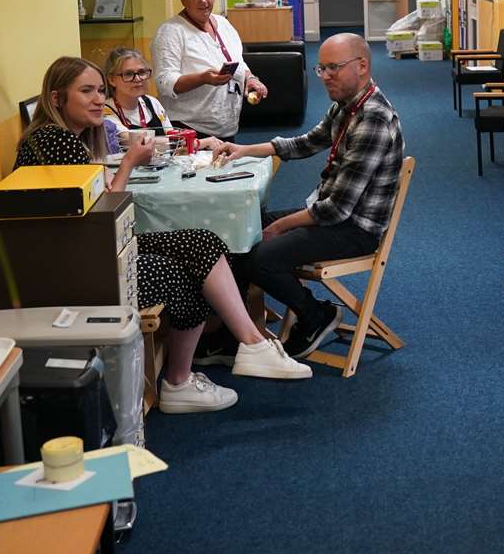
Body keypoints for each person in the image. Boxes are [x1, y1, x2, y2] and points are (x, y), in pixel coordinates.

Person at [16, 56, 311, 411]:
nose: (98, 99)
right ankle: (185, 378)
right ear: (56, 98)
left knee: (205, 242)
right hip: (79, 271)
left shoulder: (68, 140)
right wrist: (127, 165)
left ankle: (244, 347)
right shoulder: (55, 141)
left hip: (90, 253)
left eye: (99, 90)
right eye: (86, 91)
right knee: (186, 270)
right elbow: (101, 219)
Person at [215, 34, 405, 359]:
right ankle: (233, 329)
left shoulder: (372, 119)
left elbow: (336, 210)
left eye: (334, 68)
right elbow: (303, 144)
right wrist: (243, 149)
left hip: (354, 230)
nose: (326, 76)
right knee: (239, 229)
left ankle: (316, 314)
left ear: (362, 66)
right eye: (322, 69)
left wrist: (282, 227)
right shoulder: (347, 106)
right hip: (328, 214)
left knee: (258, 256)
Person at [152, 0, 268, 140]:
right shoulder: (170, 32)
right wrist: (202, 79)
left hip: (226, 128)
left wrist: (250, 79)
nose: (203, 1)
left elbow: (238, 62)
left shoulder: (224, 24)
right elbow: (165, 82)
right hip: (189, 130)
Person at [100, 46, 178, 155]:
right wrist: (189, 142)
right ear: (112, 80)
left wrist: (179, 142)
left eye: (142, 72)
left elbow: (172, 136)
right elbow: (138, 143)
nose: (137, 79)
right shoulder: (104, 111)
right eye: (128, 74)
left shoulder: (152, 102)